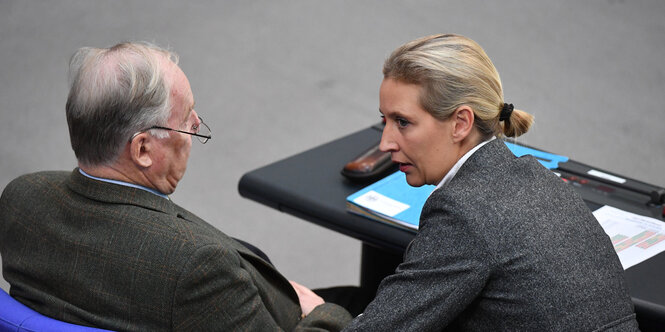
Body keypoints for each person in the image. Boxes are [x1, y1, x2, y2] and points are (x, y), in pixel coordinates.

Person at [0, 42, 354, 331]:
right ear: (142, 149)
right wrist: (322, 313)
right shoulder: (197, 267)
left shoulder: (21, 197)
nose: (196, 124)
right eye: (187, 121)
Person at [343, 34, 639, 331]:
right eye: (385, 121)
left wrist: (317, 313)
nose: (385, 144)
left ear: (460, 123)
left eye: (403, 122)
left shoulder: (462, 212)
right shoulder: (540, 180)